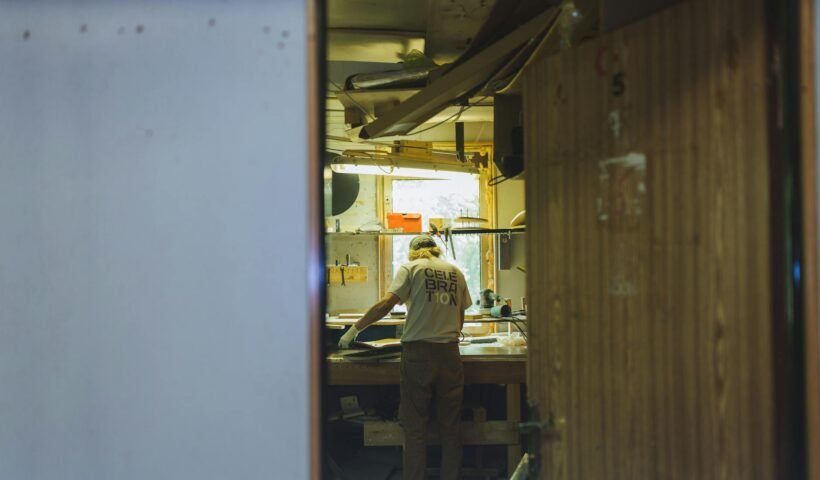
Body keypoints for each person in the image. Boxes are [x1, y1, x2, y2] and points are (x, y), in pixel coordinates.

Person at [338, 234, 472, 480]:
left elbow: (387, 303)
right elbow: (460, 316)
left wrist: (355, 329)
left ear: (413, 252)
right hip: (450, 354)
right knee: (451, 427)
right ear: (435, 250)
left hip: (419, 355)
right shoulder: (456, 272)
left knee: (415, 428)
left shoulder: (410, 268)